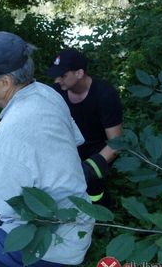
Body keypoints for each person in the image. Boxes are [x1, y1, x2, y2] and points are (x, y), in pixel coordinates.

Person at [0, 32, 94, 267]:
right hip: (76, 225)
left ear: (5, 82)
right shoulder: (47, 94)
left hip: (50, 245)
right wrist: (9, 158)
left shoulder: (15, 125)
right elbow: (65, 143)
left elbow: (4, 202)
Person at [45, 49, 123, 207]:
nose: (57, 80)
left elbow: (117, 143)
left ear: (79, 73)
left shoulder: (105, 94)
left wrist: (88, 169)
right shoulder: (56, 92)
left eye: (63, 75)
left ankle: (102, 218)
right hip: (67, 146)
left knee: (93, 190)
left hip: (96, 150)